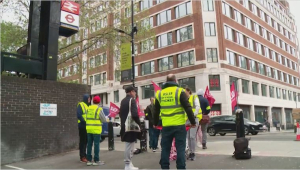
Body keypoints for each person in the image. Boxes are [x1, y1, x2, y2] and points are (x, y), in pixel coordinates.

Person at [153, 74, 196, 170]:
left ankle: (165, 167)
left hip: (166, 126)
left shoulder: (159, 93)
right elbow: (188, 108)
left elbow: (156, 111)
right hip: (179, 125)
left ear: (166, 81)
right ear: (175, 81)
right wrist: (193, 122)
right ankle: (181, 168)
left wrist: (155, 123)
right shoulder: (180, 91)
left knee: (165, 149)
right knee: (180, 148)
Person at [120, 86, 141, 170]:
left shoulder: (123, 101)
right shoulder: (132, 100)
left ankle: (129, 164)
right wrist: (138, 123)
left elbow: (121, 113)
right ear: (131, 92)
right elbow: (135, 114)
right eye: (134, 92)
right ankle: (128, 164)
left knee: (128, 145)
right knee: (130, 145)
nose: (135, 93)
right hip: (130, 125)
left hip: (124, 125)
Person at [86, 96, 106, 166]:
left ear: (93, 101)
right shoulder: (99, 109)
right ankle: (96, 160)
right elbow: (103, 119)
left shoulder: (88, 108)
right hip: (96, 130)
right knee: (96, 145)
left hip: (88, 129)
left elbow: (86, 117)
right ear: (99, 102)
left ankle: (88, 160)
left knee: (89, 144)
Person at [185, 88, 201, 161]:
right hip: (187, 120)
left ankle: (193, 153)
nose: (184, 93)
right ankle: (190, 152)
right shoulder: (184, 99)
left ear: (189, 91)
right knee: (188, 137)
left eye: (185, 92)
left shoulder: (194, 97)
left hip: (194, 119)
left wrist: (193, 115)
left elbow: (197, 106)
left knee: (192, 136)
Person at [77, 94, 90, 163]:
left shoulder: (88, 106)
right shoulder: (81, 105)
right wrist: (84, 122)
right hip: (82, 126)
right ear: (86, 98)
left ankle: (85, 155)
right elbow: (79, 115)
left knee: (86, 141)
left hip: (87, 126)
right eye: (88, 98)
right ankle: (82, 156)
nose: (89, 99)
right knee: (83, 141)